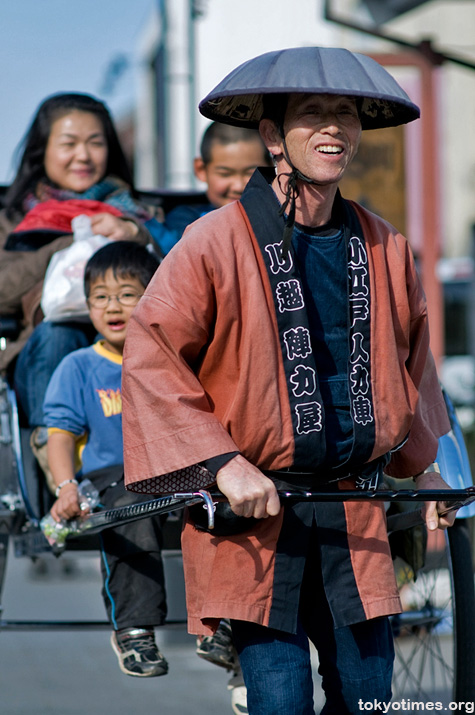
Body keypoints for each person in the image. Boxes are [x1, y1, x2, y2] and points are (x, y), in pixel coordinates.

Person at [121, 47, 456, 713]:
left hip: (354, 512)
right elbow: (151, 353)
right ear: (272, 134)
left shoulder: (384, 245)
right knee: (280, 698)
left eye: (345, 115)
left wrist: (426, 467)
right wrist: (221, 462)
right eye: (312, 115)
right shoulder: (215, 240)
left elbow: (414, 365)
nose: (334, 127)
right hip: (254, 516)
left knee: (369, 697)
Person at [0, 92, 162, 480]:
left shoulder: (138, 211)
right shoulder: (14, 219)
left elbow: (183, 273)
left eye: (95, 143)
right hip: (45, 354)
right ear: (43, 150)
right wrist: (71, 239)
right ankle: (57, 463)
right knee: (58, 333)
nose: (83, 156)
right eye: (69, 144)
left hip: (129, 345)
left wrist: (133, 233)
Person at [43, 240, 168, 678]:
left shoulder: (171, 358)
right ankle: (134, 632)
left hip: (173, 467)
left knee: (227, 507)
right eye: (100, 296)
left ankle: (224, 626)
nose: (112, 306)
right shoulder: (78, 366)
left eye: (126, 294)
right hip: (112, 477)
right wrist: (66, 487)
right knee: (132, 507)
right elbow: (59, 435)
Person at [150, 121, 272, 255]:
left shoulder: (283, 219)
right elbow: (175, 251)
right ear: (201, 170)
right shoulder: (186, 221)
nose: (238, 186)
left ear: (271, 166)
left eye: (251, 172)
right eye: (225, 173)